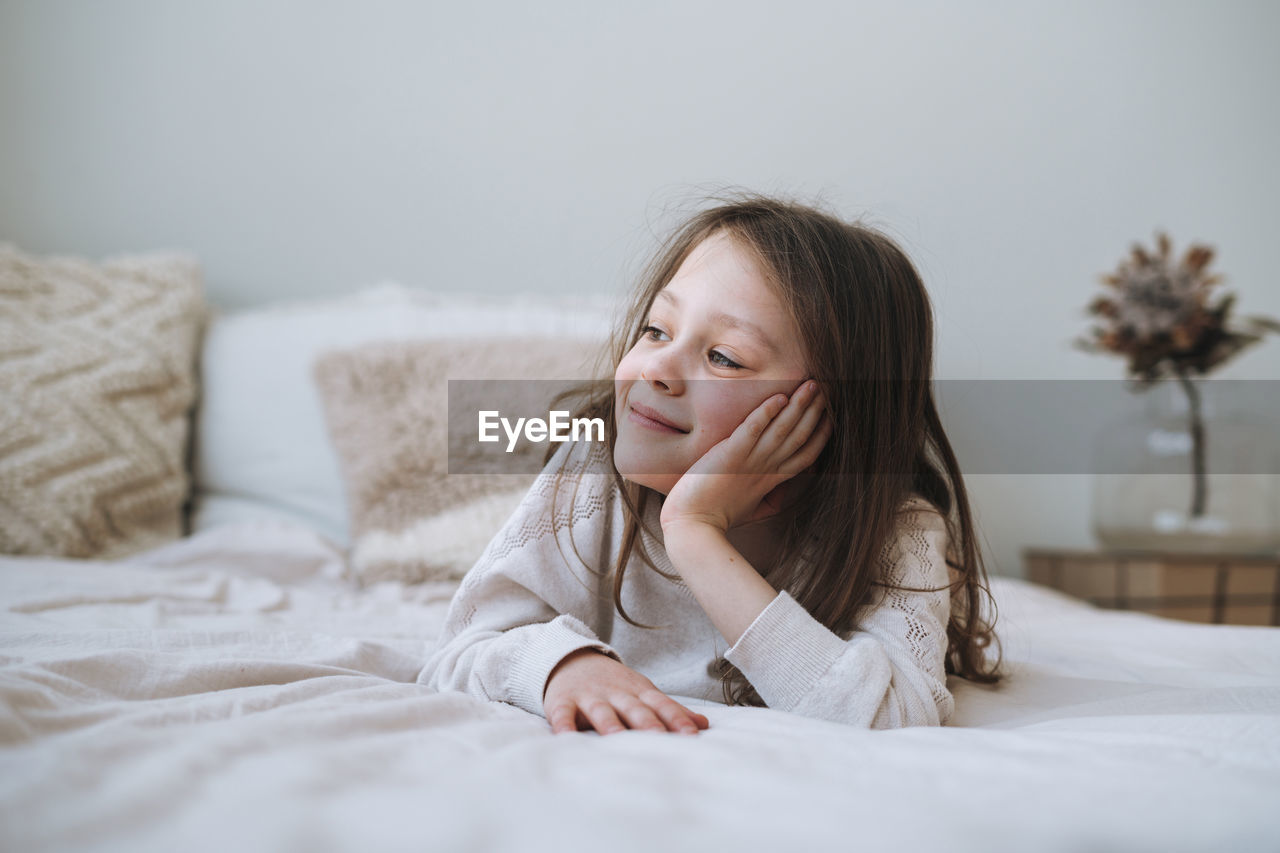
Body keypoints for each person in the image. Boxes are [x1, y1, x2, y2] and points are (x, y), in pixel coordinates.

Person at [418, 190, 1003, 735]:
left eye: (724, 357)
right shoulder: (590, 477)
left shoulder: (899, 530)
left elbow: (890, 716)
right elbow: (460, 649)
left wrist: (695, 533)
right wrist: (559, 665)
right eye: (655, 329)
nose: (656, 369)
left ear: (837, 416)